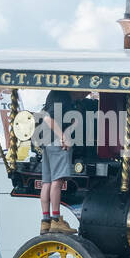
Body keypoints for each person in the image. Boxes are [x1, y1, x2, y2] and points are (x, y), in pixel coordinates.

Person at [36, 89, 86, 234]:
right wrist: (63, 137)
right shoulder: (64, 98)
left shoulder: (55, 94)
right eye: (83, 93)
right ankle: (56, 220)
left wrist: (72, 125)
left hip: (45, 141)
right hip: (57, 142)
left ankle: (46, 221)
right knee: (57, 182)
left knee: (47, 182)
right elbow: (48, 119)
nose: (84, 95)